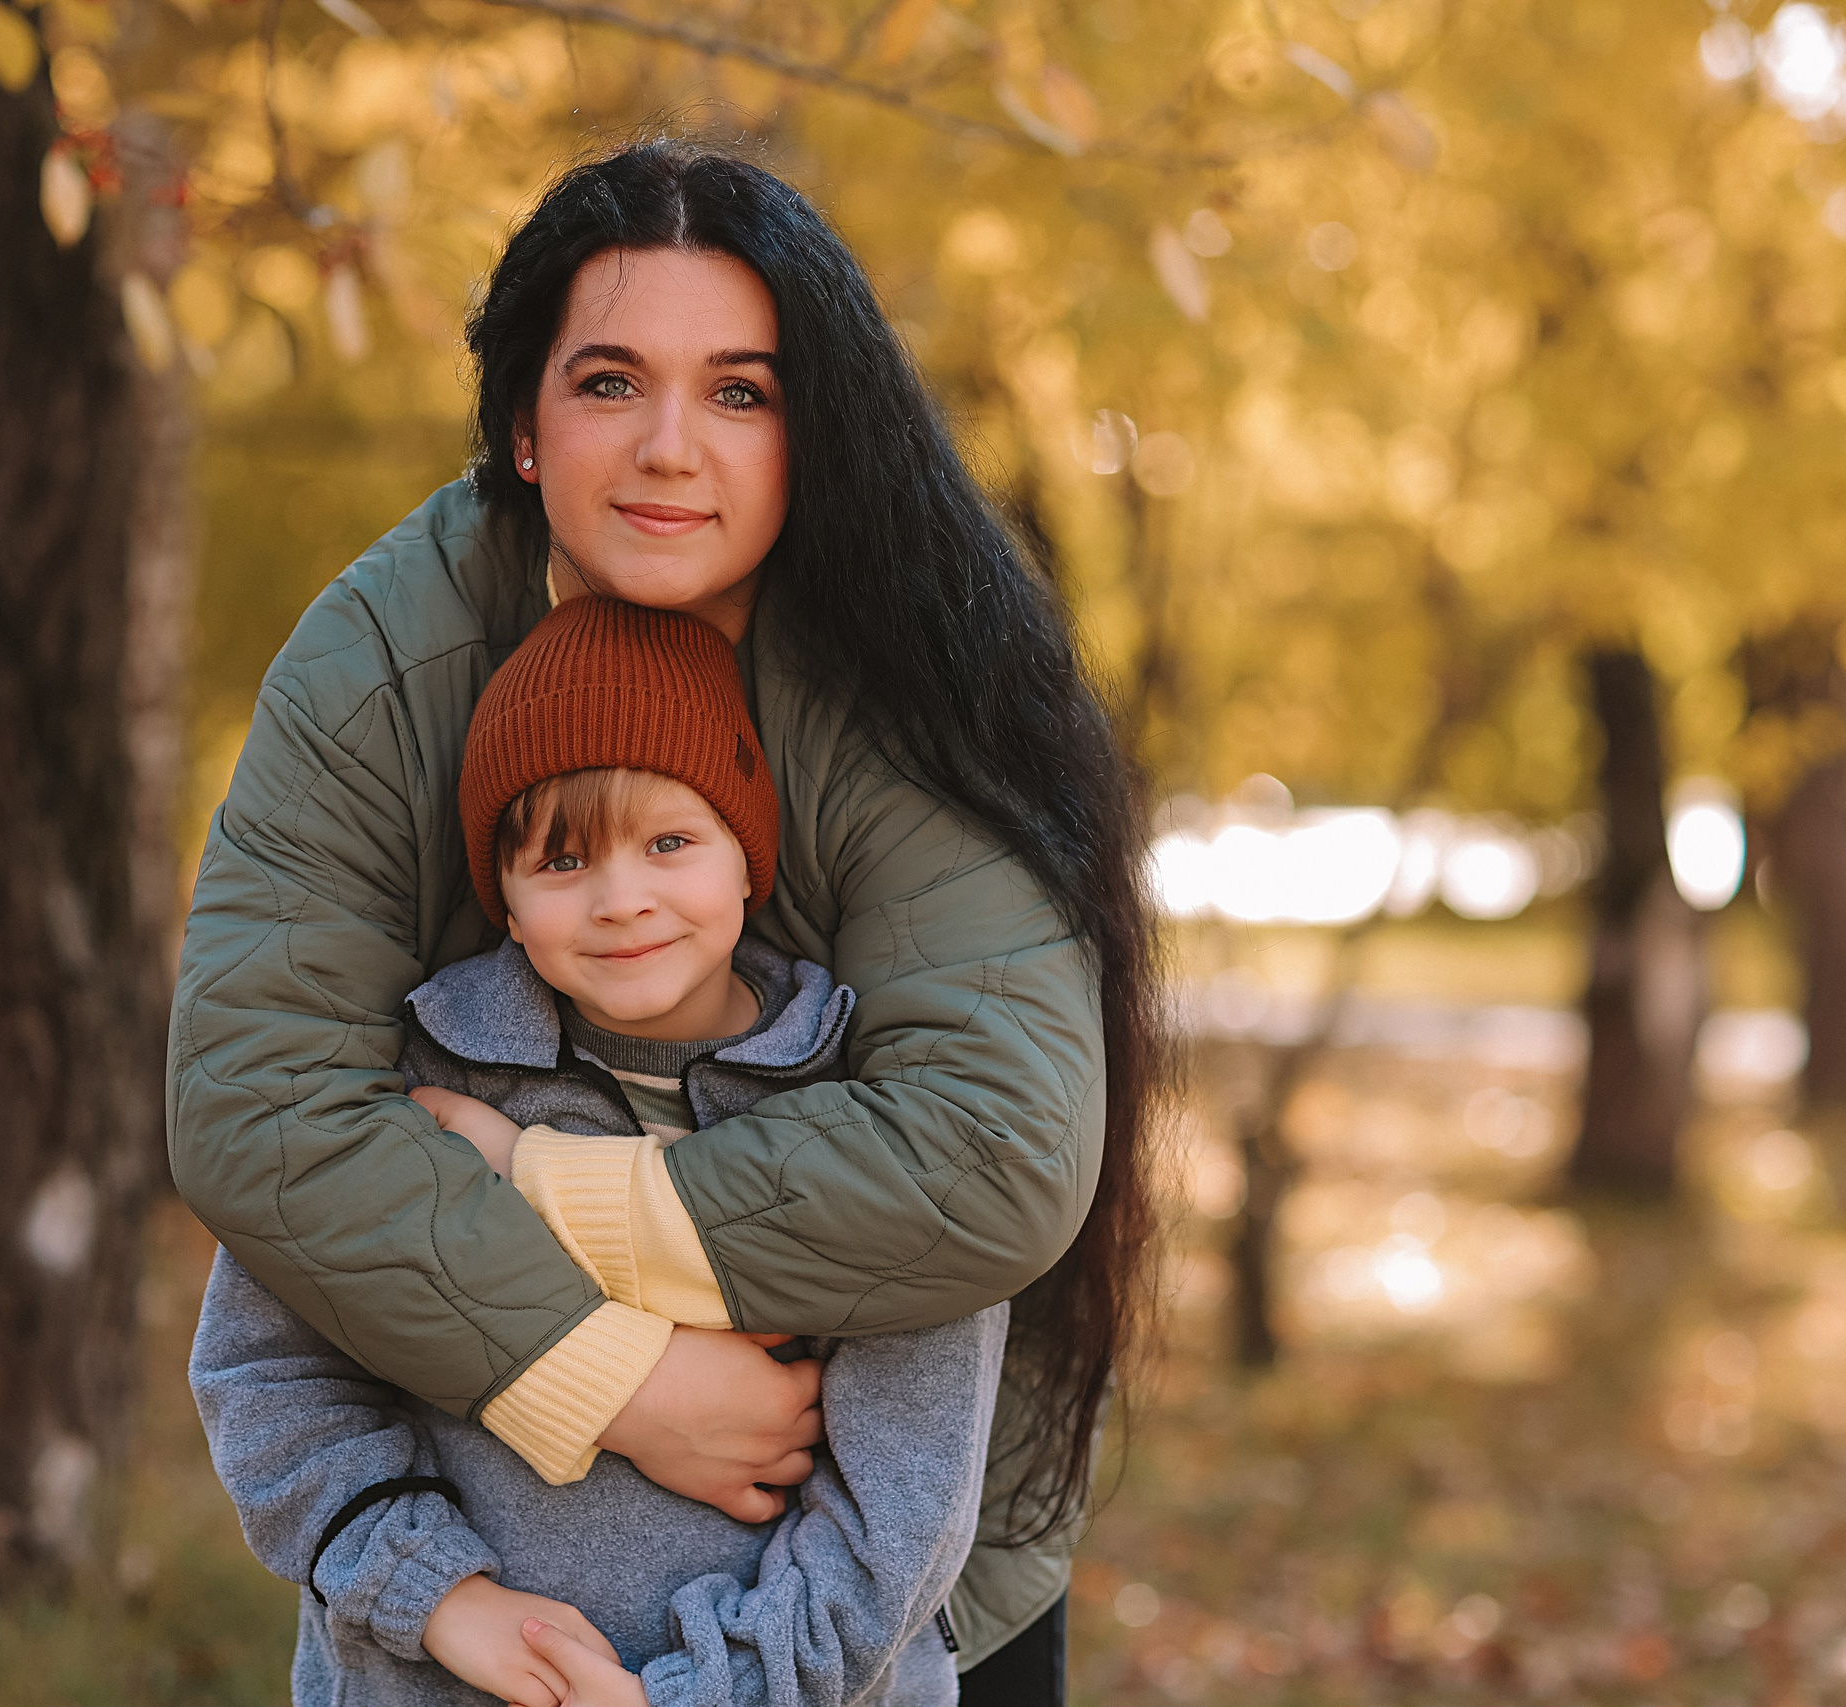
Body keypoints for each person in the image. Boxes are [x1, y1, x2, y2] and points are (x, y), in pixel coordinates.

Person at [169, 136, 1164, 1701]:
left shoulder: (912, 677)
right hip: (479, 1626)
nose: (670, 451)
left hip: (897, 1584)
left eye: (741, 390)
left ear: (810, 429)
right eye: (611, 382)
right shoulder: (383, 662)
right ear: (520, 422)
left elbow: (996, 1154)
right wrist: (610, 1376)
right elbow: (258, 1108)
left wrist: (548, 1186)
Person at [192, 595, 1009, 1706]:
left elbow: (901, 1504)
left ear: (744, 860)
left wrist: (694, 1696)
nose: (623, 900)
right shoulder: (413, 1089)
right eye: (563, 859)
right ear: (507, 903)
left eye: (671, 842)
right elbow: (268, 1375)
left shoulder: (866, 1111)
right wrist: (437, 1597)